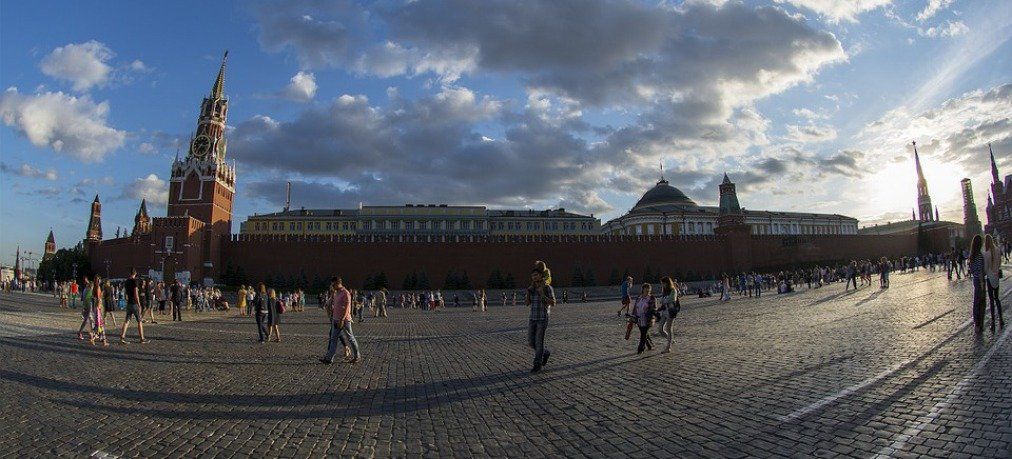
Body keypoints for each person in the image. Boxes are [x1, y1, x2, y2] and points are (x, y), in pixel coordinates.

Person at [320, 277, 361, 364]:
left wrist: (342, 319)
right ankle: (329, 359)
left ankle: (357, 356)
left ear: (338, 283)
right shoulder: (336, 293)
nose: (332, 286)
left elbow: (347, 308)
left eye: (333, 284)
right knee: (333, 339)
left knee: (350, 338)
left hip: (344, 320)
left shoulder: (346, 293)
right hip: (335, 319)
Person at [526, 262, 556, 373]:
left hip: (542, 318)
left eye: (536, 275)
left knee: (539, 342)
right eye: (532, 276)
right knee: (530, 342)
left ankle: (537, 365)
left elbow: (553, 303)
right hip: (532, 318)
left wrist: (542, 294)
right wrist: (528, 293)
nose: (534, 277)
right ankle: (545, 352)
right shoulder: (531, 288)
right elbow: (527, 303)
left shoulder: (547, 287)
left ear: (541, 275)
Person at [983, 234, 1005, 333]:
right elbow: (1000, 263)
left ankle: (993, 321)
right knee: (997, 298)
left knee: (991, 300)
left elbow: (986, 268)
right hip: (996, 276)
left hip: (989, 278)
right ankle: (1001, 318)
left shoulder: (986, 253)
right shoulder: (997, 250)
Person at [120, 269, 147, 344]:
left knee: (127, 321)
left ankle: (122, 337)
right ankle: (142, 338)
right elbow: (136, 293)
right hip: (134, 303)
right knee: (139, 321)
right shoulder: (135, 281)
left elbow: (125, 292)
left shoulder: (127, 281)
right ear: (135, 273)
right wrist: (139, 303)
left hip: (129, 303)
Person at [967, 235, 986, 334]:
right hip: (980, 281)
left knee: (976, 302)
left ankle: (976, 323)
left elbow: (971, 270)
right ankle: (979, 324)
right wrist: (982, 283)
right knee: (981, 303)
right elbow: (980, 271)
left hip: (975, 280)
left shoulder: (972, 255)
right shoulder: (978, 255)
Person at [631, 283, 656, 354]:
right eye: (646, 288)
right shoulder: (639, 297)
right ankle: (649, 345)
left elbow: (653, 309)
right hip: (638, 318)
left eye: (649, 288)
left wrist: (651, 318)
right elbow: (635, 307)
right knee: (644, 333)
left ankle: (640, 348)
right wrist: (633, 316)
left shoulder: (651, 298)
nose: (647, 290)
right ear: (643, 289)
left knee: (643, 333)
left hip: (647, 319)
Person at [657, 277, 680, 353]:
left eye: (663, 283)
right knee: (660, 329)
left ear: (667, 283)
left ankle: (668, 347)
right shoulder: (664, 291)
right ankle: (670, 339)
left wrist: (664, 301)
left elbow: (672, 299)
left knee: (668, 329)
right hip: (664, 312)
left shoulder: (673, 290)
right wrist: (663, 301)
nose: (662, 285)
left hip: (671, 311)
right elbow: (661, 300)